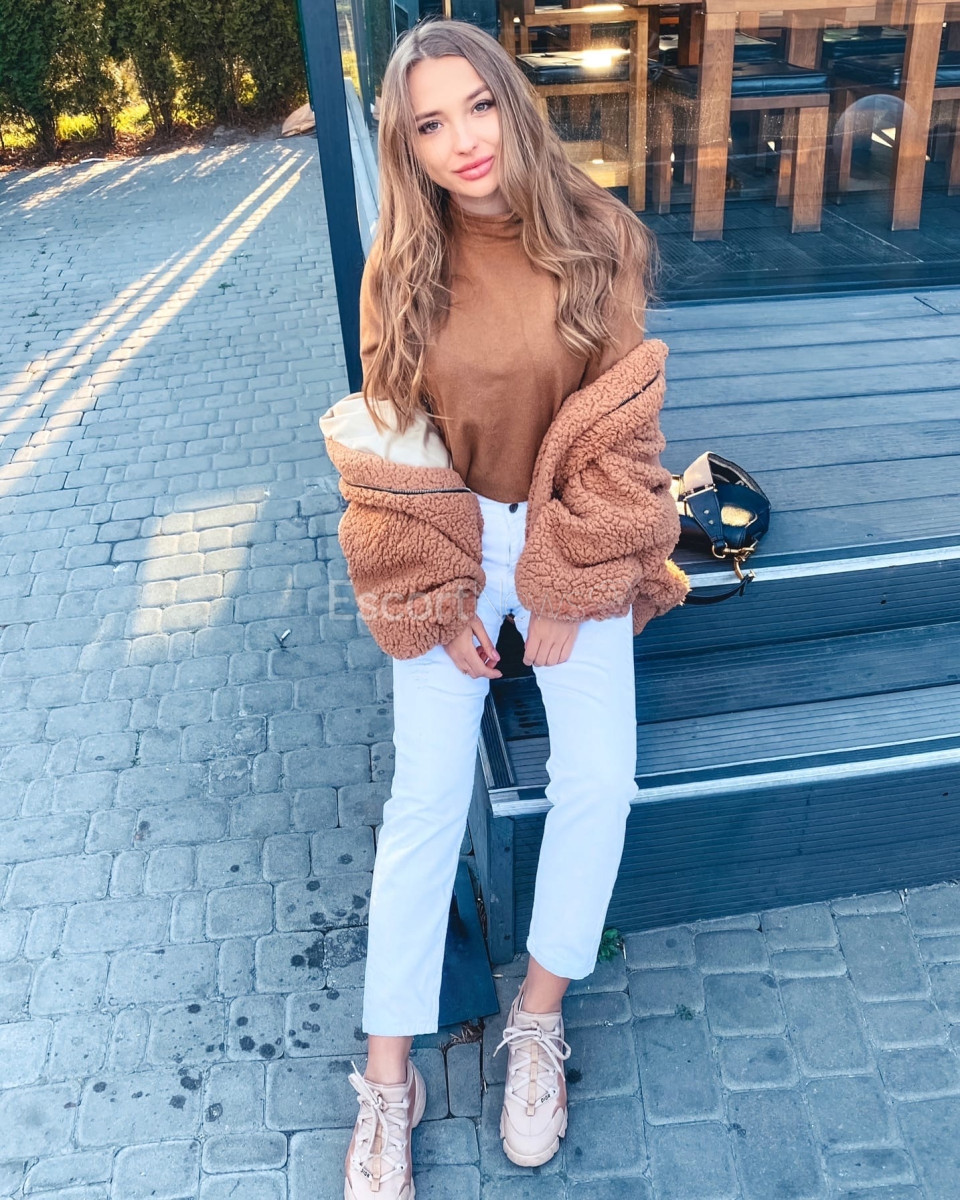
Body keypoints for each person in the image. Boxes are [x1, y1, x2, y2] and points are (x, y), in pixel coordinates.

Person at [321, 17, 690, 1198]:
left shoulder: (599, 237)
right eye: (431, 125)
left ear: (512, 103)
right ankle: (389, 1076)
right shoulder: (401, 268)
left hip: (576, 525)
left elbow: (623, 438)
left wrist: (570, 587)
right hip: (449, 531)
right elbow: (391, 460)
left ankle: (537, 1015)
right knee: (426, 798)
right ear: (408, 148)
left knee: (600, 775)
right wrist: (440, 601)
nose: (464, 141)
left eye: (477, 106)